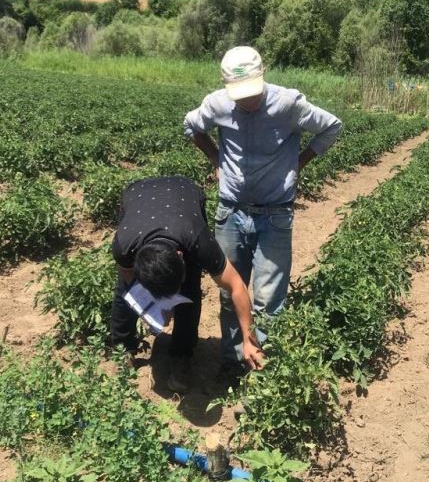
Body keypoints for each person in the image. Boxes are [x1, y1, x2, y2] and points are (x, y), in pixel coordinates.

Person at [184, 46, 342, 371]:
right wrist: (216, 159)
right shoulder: (217, 103)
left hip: (275, 214)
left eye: (252, 93)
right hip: (231, 212)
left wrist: (300, 162)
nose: (247, 102)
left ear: (263, 74)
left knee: (269, 299)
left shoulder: (288, 103)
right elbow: (191, 127)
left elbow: (332, 126)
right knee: (230, 292)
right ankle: (232, 360)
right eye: (239, 96)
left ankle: (261, 364)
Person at [110, 175, 264, 392]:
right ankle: (123, 348)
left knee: (189, 292)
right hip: (138, 194)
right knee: (125, 293)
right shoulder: (124, 246)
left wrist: (249, 340)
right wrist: (150, 306)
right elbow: (127, 276)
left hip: (185, 192)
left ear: (181, 255)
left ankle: (181, 354)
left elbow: (237, 286)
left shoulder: (198, 241)